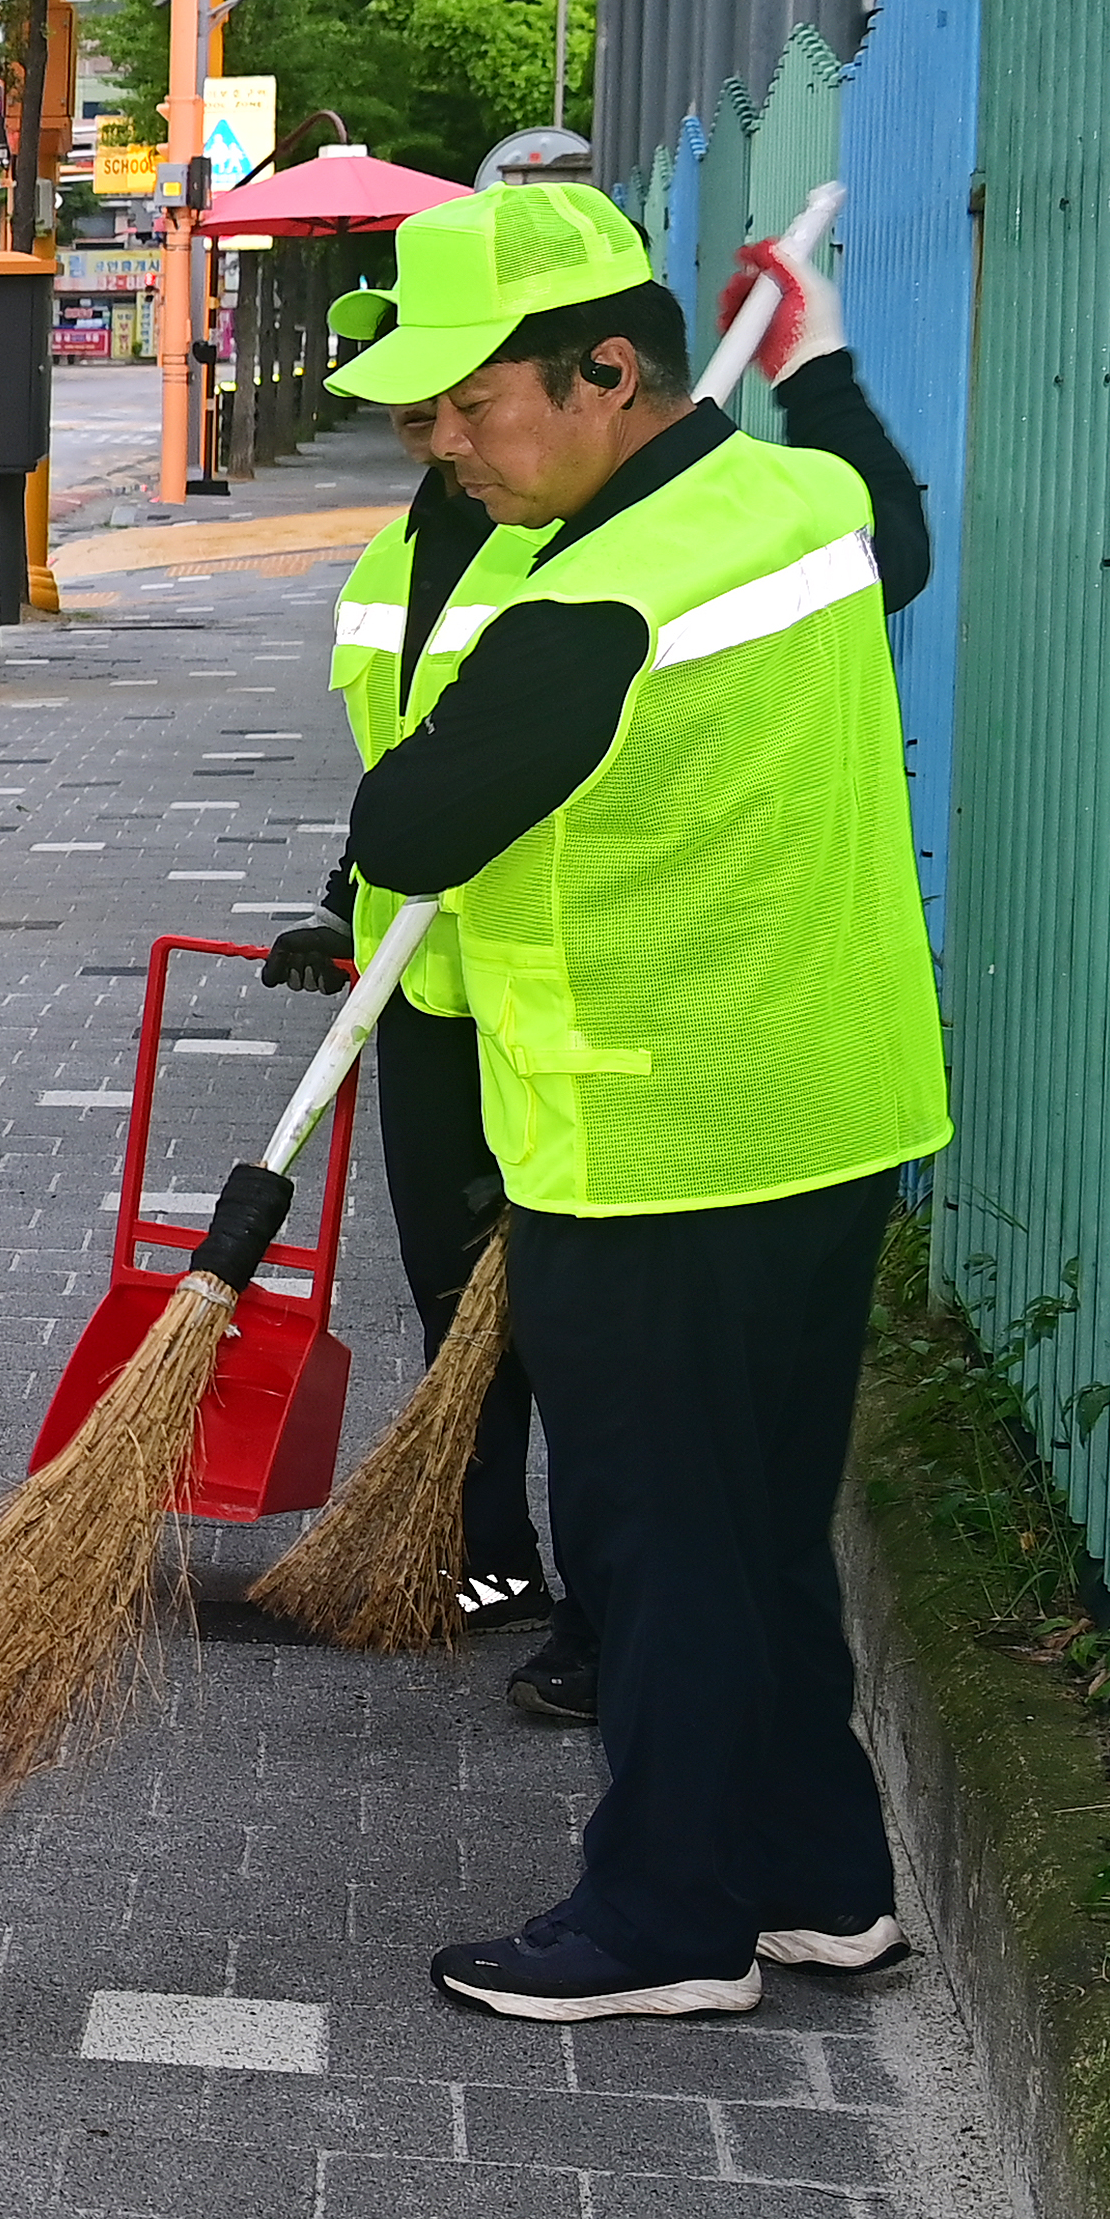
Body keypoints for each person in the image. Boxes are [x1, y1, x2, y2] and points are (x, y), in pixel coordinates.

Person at [325, 181, 944, 2024]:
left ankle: (667, 1918)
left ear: (611, 372)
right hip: (824, 1114)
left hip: (652, 1132)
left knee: (655, 1545)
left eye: (471, 406)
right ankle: (827, 1888)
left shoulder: (594, 595)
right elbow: (891, 518)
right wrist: (820, 357)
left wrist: (481, 655)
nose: (445, 449)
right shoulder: (794, 503)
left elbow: (406, 826)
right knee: (761, 1527)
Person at [266, 391, 578, 1688]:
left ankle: (610, 1614)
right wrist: (343, 902)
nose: (427, 432)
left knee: (575, 1301)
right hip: (418, 987)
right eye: (405, 412)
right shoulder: (394, 553)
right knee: (452, 1287)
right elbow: (399, 757)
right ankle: (493, 1551)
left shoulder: (566, 551)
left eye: (449, 404)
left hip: (548, 987)